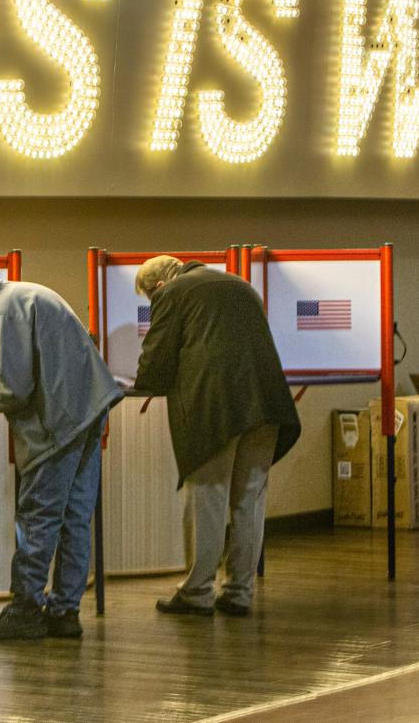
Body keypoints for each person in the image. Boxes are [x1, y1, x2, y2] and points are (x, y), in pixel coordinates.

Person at [0, 260, 124, 640]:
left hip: (59, 423)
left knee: (38, 518)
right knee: (75, 518)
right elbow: (32, 370)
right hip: (89, 411)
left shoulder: (0, 313)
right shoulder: (22, 295)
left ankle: (25, 608)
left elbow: (15, 390)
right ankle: (65, 612)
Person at [132, 255, 300, 617]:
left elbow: (156, 356)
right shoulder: (241, 285)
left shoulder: (173, 293)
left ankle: (197, 592)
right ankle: (240, 591)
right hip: (268, 403)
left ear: (157, 287)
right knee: (249, 498)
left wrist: (140, 383)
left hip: (215, 408)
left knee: (208, 496)